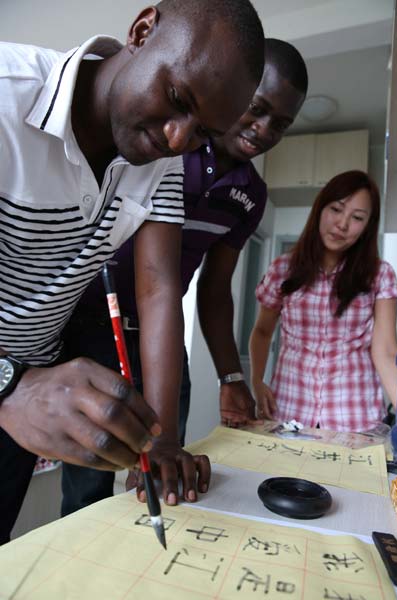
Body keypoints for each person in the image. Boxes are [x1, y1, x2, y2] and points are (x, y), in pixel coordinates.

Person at [0, 0, 265, 544]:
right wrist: (9, 386)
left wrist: (162, 438)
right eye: (175, 98)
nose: (176, 139)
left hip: (26, 385)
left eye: (201, 133)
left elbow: (161, 289)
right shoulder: (6, 95)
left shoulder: (161, 161)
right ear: (143, 31)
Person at [61, 38, 308, 513]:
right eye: (256, 110)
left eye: (280, 124)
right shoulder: (167, 147)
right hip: (94, 327)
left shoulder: (251, 195)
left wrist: (230, 375)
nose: (263, 129)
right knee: (89, 483)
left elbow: (214, 292)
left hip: (162, 339)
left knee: (161, 469)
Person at [249, 170, 397, 432]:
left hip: (355, 416)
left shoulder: (379, 274)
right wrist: (257, 380)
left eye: (356, 218)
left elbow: (386, 352)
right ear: (320, 208)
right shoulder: (283, 269)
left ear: (367, 227)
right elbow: (262, 331)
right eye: (336, 209)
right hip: (289, 410)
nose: (342, 224)